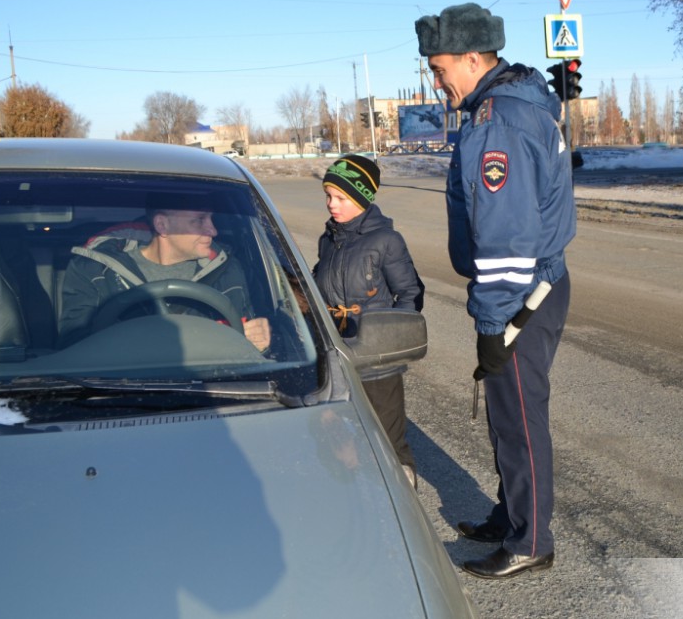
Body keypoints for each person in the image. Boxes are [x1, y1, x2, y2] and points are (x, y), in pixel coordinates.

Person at [415, 3, 576, 579]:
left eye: (440, 69)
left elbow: (507, 235)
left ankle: (531, 539)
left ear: (473, 58)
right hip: (534, 286)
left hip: (520, 296)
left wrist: (492, 324)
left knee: (519, 419)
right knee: (508, 411)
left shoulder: (497, 120)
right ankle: (512, 513)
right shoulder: (503, 105)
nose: (437, 82)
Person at [311, 155, 425, 489]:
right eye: (328, 196)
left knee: (388, 438)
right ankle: (353, 496)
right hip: (338, 353)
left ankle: (402, 498)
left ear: (362, 197)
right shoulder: (328, 240)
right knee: (339, 434)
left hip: (377, 361)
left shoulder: (386, 241)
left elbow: (411, 294)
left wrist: (392, 341)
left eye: (341, 197)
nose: (332, 204)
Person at [58, 197, 271, 350]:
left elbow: (245, 339)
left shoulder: (228, 269)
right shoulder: (94, 270)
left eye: (212, 219)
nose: (213, 230)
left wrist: (258, 342)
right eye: (199, 220)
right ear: (162, 225)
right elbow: (73, 346)